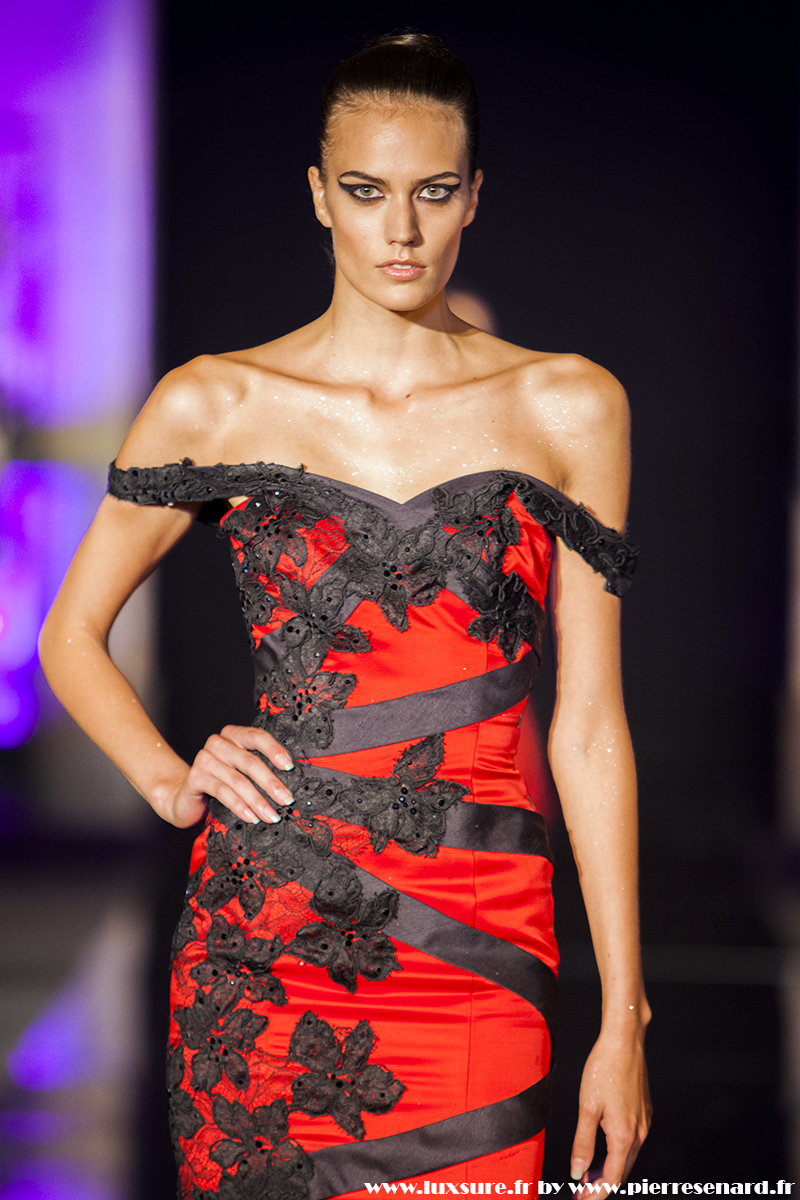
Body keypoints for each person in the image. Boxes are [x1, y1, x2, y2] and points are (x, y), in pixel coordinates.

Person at [40, 32, 651, 1200]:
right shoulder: (216, 401)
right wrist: (171, 779)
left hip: (481, 941)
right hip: (266, 933)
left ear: (475, 195)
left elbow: (586, 727)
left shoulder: (568, 406)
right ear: (319, 196)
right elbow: (68, 635)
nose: (400, 231)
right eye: (367, 193)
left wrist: (621, 1013)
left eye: (433, 192)